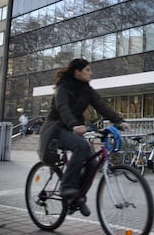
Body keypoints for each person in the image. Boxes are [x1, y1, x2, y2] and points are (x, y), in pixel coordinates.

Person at [39, 58, 130, 217]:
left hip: (74, 129)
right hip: (57, 129)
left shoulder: (87, 90)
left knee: (93, 163)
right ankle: (67, 186)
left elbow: (101, 105)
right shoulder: (63, 87)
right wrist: (74, 124)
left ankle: (76, 197)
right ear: (77, 72)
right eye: (88, 70)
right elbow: (63, 108)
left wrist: (119, 121)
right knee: (80, 146)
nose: (91, 73)